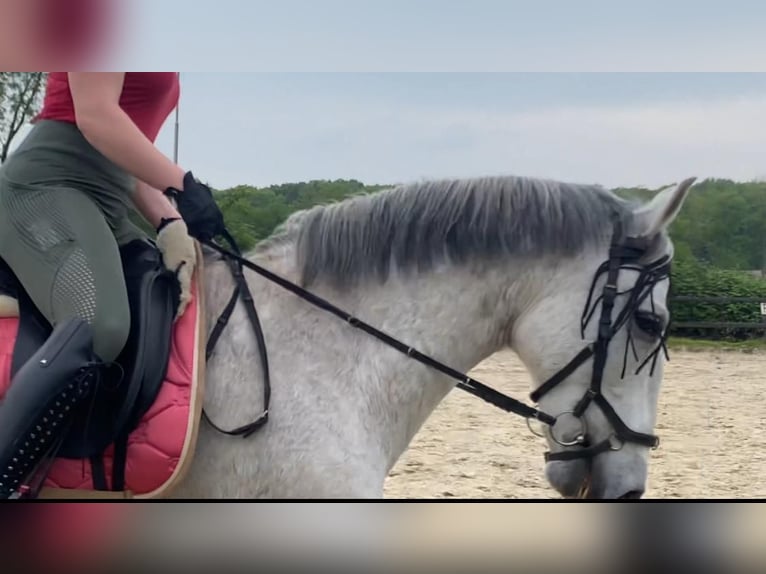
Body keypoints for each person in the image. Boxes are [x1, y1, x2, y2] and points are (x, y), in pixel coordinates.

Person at [0, 72, 225, 497]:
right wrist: (182, 183)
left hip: (107, 200)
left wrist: (170, 220)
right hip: (45, 188)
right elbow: (97, 117)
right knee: (99, 324)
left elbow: (123, 146)